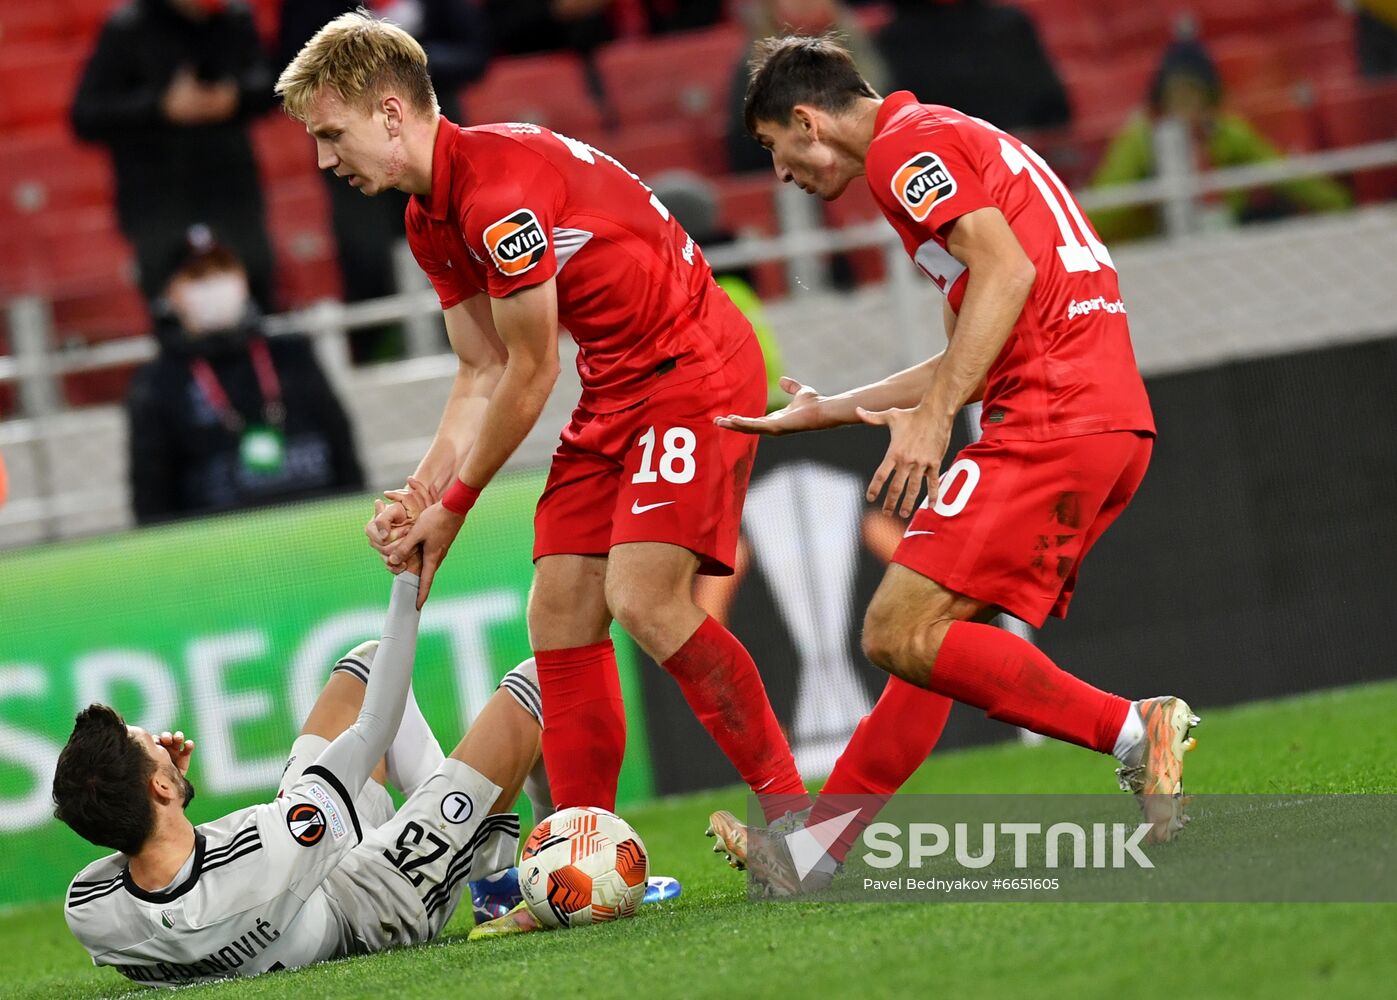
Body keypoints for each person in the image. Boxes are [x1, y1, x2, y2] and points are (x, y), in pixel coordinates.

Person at [275, 12, 810, 911]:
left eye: (333, 134)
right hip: (618, 382)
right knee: (558, 613)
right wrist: (421, 494)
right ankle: (578, 867)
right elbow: (479, 370)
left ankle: (802, 831)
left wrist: (456, 505)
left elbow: (530, 370)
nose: (327, 160)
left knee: (643, 599)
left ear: (394, 113)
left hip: (692, 363)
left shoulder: (497, 195)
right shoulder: (428, 218)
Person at [704, 34, 1200, 893]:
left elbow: (1003, 276)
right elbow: (981, 332)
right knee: (931, 643)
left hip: (1049, 418)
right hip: (1103, 421)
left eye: (770, 148)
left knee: (892, 631)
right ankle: (816, 851)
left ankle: (1134, 729)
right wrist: (837, 408)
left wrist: (934, 424)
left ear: (806, 120)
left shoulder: (904, 147)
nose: (779, 173)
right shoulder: (950, 140)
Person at [55, 564, 535, 985]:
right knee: (537, 680)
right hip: (372, 905)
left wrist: (167, 794)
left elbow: (168, 880)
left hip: (294, 880)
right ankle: (529, 871)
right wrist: (409, 578)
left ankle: (467, 848)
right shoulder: (266, 845)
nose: (162, 740)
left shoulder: (89, 909)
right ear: (156, 786)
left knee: (365, 666)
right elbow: (375, 726)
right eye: (149, 744)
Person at [277, 0, 493, 363]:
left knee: (456, 240)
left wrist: (406, 66)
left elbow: (476, 54)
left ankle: (478, 344)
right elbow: (291, 73)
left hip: (431, 138)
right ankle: (378, 355)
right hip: (355, 145)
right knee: (367, 258)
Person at [125, 226, 364, 524]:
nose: (213, 286)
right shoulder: (157, 383)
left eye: (223, 270)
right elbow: (151, 493)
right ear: (170, 293)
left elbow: (341, 443)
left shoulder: (291, 353)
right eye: (197, 277)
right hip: (220, 546)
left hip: (318, 524)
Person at [70, 0, 277, 309]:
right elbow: (86, 116)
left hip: (232, 193)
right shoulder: (128, 27)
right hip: (158, 200)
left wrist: (235, 97)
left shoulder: (233, 19)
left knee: (256, 296)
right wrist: (160, 107)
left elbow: (274, 83)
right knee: (172, 309)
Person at [1089, 40, 1351, 244]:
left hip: (1226, 240)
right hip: (1162, 249)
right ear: (1162, 100)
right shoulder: (1140, 140)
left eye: (1193, 97)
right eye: (1176, 97)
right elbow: (1107, 204)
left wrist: (1343, 207)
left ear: (1209, 100)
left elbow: (1286, 175)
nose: (1185, 108)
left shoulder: (1227, 132)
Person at [875, 0, 1070, 134]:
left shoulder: (1010, 23)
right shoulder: (895, 41)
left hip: (1025, 152)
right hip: (955, 159)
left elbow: (1052, 104)